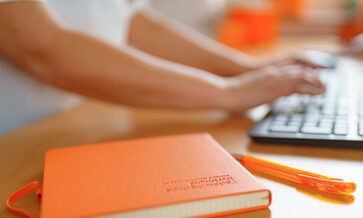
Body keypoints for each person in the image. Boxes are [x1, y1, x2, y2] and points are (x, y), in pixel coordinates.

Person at [0, 0, 325, 135]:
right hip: (12, 150)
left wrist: (245, 69)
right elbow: (42, 49)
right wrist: (227, 93)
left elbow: (134, 22)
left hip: (67, 131)